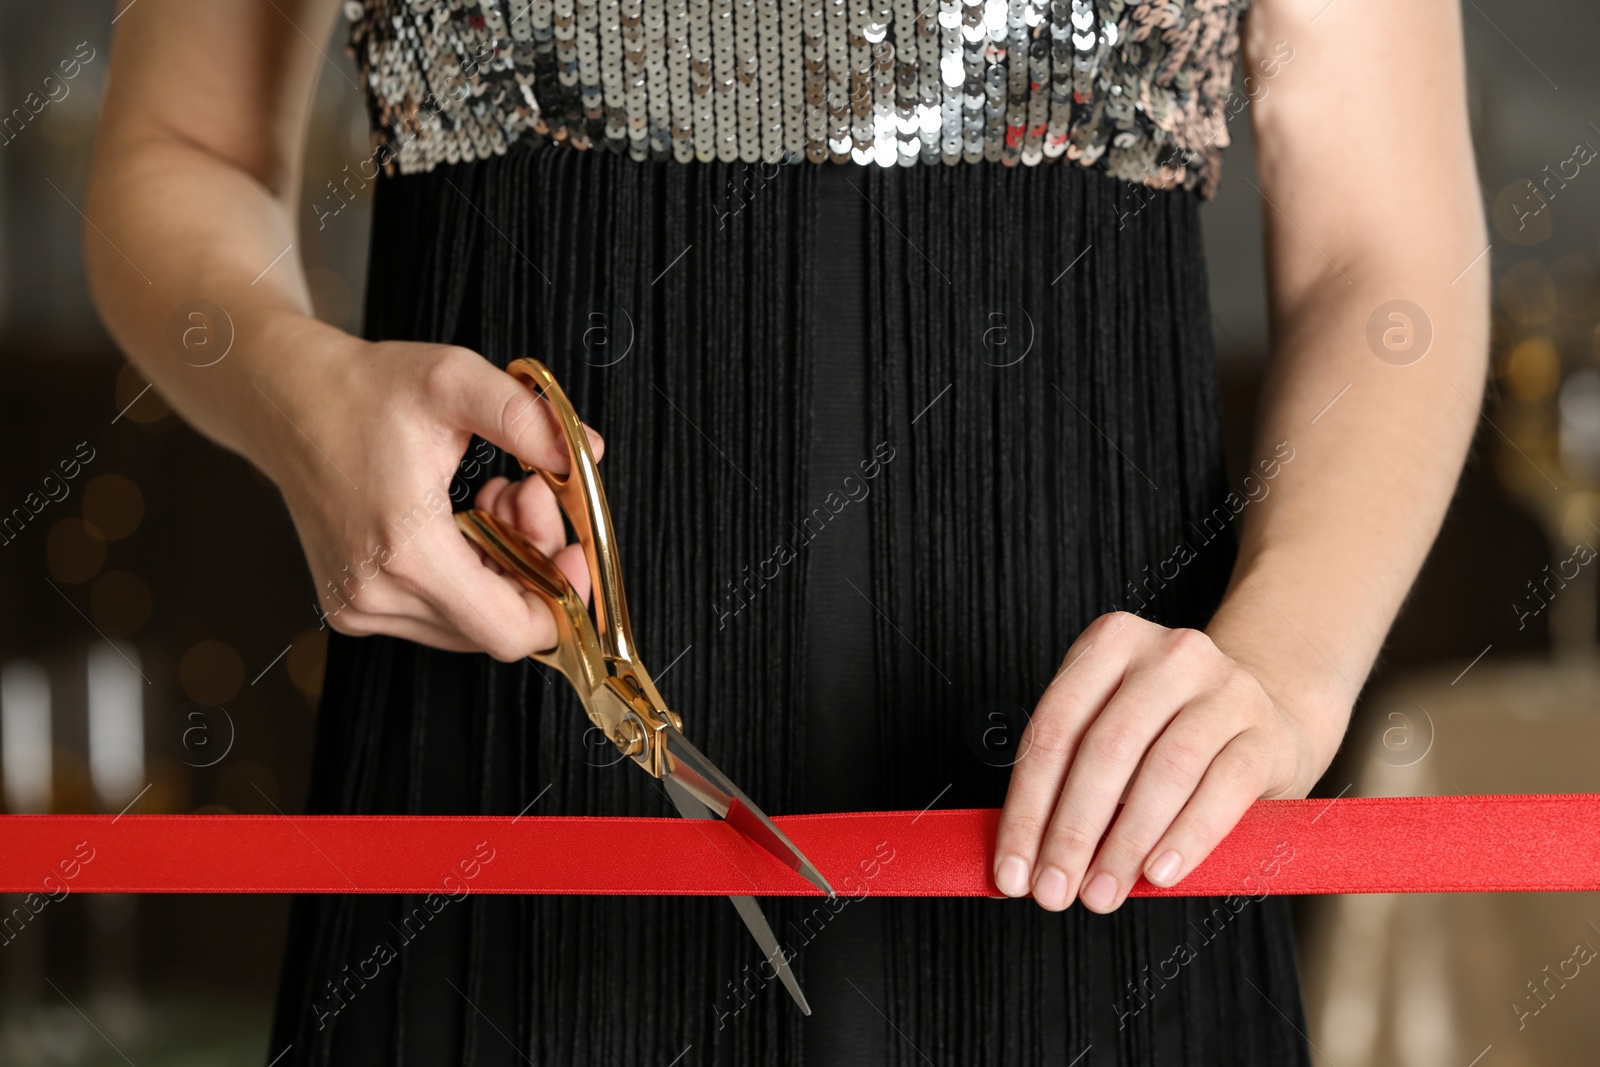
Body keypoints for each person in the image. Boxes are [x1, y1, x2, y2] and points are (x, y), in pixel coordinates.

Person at [83, 0, 1487, 1063]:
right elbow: (177, 148)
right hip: (495, 826)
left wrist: (1286, 667)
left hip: (1107, 832)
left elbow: (1386, 241)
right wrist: (296, 389)